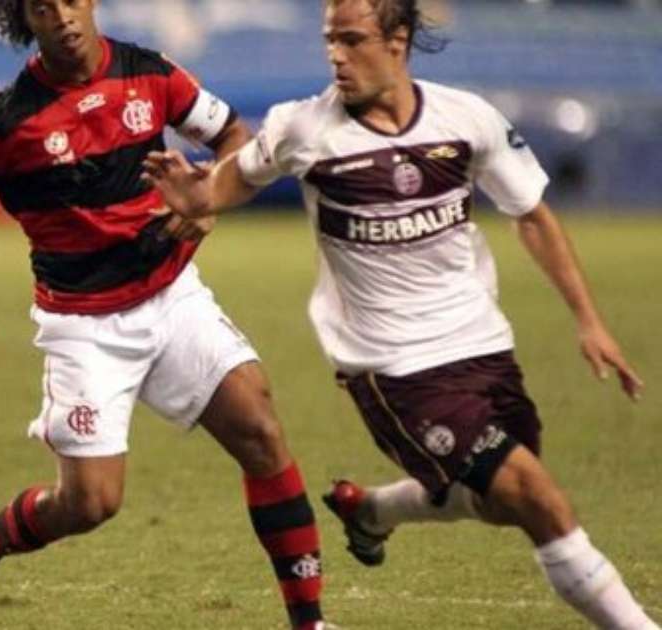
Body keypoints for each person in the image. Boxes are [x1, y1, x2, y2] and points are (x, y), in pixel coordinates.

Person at [140, 1, 658, 628]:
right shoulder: (302, 129)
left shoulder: (465, 119)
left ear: (398, 41)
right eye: (330, 39)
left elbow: (533, 215)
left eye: (352, 39)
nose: (336, 54)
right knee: (537, 497)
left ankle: (373, 512)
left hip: (481, 344)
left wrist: (589, 320)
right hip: (395, 368)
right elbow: (228, 184)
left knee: (503, 501)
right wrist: (195, 193)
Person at [0, 1, 330, 629]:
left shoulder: (151, 72)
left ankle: (309, 623)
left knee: (260, 427)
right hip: (84, 325)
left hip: (170, 293)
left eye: (70, 0)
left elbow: (233, 138)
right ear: (25, 21)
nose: (61, 16)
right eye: (42, 8)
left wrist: (208, 197)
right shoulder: (10, 120)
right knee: (90, 504)